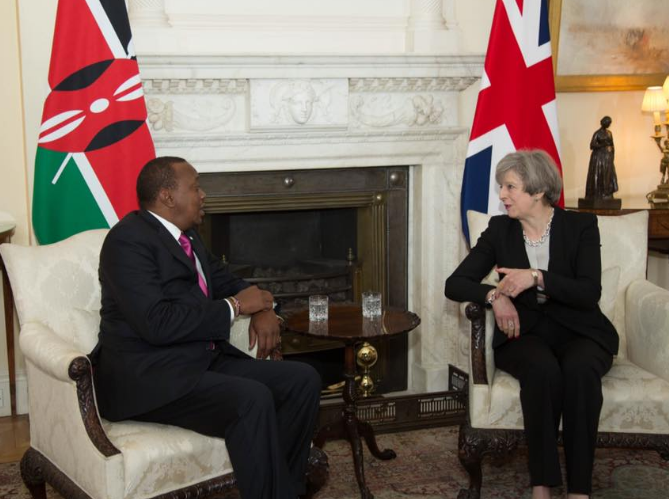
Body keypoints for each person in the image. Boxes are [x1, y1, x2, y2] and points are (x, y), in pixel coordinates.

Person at [90, 156, 322, 499]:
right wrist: (238, 307)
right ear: (168, 196)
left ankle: (283, 490)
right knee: (251, 399)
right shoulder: (127, 242)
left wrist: (265, 309)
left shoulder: (189, 237)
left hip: (200, 361)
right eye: (195, 186)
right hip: (149, 376)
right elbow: (157, 324)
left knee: (302, 380)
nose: (203, 195)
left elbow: (230, 282)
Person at [445, 150, 618, 499]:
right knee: (541, 371)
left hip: (580, 330)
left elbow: (588, 292)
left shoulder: (580, 227)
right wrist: (497, 296)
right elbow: (455, 283)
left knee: (581, 372)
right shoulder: (499, 230)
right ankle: (542, 485)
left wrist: (536, 277)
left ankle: (579, 491)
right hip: (525, 334)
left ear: (537, 191)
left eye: (510, 186)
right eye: (501, 187)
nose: (502, 195)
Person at [585, 116, 618, 199]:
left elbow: (612, 144)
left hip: (607, 158)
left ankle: (607, 192)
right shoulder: (597, 133)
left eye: (609, 123)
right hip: (599, 158)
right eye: (607, 122)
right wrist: (602, 145)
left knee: (608, 175)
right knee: (600, 174)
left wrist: (612, 155)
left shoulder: (609, 133)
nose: (608, 124)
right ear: (603, 122)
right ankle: (599, 193)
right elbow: (592, 145)